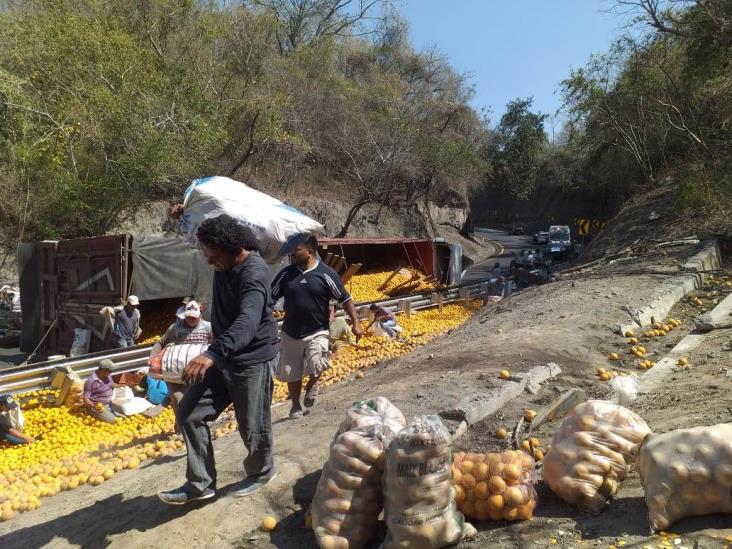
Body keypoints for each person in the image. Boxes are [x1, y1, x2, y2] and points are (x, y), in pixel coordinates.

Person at [158, 214, 279, 505]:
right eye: (207, 255)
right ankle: (201, 483)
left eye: (213, 257)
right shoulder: (225, 258)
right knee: (188, 411)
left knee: (251, 425)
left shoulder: (254, 274)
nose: (210, 262)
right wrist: (184, 216)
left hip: (250, 359)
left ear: (233, 248)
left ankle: (262, 471)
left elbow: (248, 322)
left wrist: (212, 353)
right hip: (224, 356)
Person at [271, 236, 363, 419]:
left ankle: (314, 381)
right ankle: (296, 406)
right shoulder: (286, 274)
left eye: (296, 250)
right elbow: (269, 299)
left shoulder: (326, 274)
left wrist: (356, 323)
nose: (292, 254)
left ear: (309, 252)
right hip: (290, 331)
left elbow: (345, 298)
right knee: (291, 372)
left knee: (316, 363)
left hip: (317, 330)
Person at [152, 300, 214, 413]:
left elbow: (218, 344)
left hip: (196, 370)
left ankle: (187, 424)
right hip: (176, 369)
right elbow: (160, 342)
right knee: (177, 398)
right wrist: (152, 358)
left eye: (194, 317)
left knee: (193, 401)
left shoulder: (208, 327)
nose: (191, 319)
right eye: (189, 317)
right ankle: (180, 425)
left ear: (200, 314)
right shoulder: (176, 327)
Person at [83, 359, 124, 423]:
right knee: (114, 421)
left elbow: (111, 384)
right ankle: (92, 413)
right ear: (104, 370)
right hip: (98, 406)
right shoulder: (90, 381)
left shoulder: (107, 375)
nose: (111, 372)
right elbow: (85, 398)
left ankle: (107, 413)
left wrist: (119, 386)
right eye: (110, 370)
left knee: (124, 415)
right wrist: (94, 406)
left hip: (109, 403)